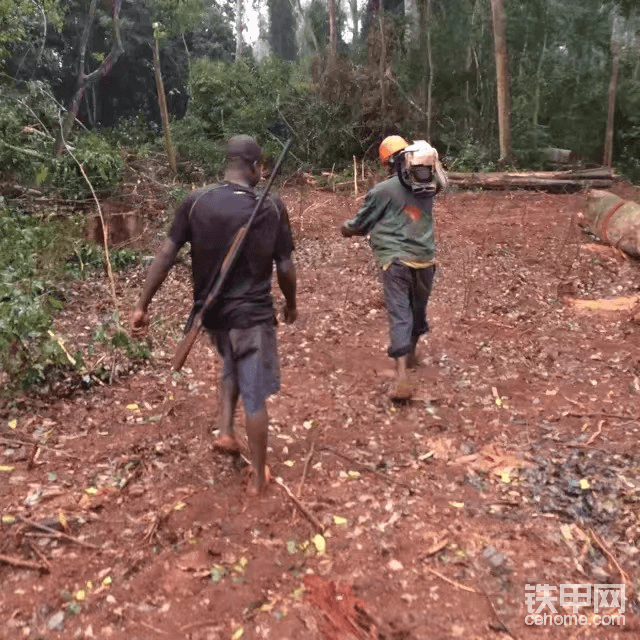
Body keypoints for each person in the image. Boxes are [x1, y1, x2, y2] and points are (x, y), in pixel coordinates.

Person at [130, 135, 297, 495]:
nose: (262, 171)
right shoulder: (272, 207)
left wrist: (142, 304)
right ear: (254, 167)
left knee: (230, 362)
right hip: (252, 317)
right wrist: (292, 303)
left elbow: (165, 253)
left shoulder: (197, 201)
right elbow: (285, 265)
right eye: (260, 166)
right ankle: (259, 477)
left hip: (213, 318)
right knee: (254, 393)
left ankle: (224, 431)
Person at [340, 135, 446, 400]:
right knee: (417, 309)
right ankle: (410, 357)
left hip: (395, 260)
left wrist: (346, 228)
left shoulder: (382, 191)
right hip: (425, 258)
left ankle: (401, 379)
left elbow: (360, 224)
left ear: (387, 163)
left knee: (400, 312)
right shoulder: (430, 186)